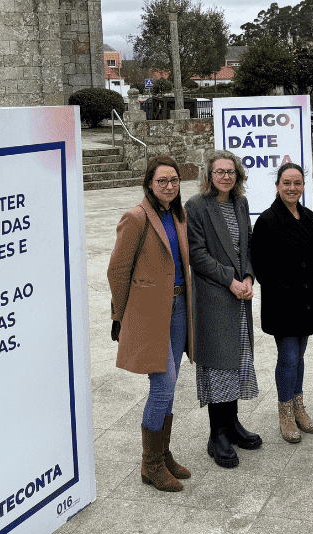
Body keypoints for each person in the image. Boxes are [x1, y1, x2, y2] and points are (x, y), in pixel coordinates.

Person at [107, 156, 194, 492]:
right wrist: (122, 314)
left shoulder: (177, 214)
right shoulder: (136, 217)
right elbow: (117, 271)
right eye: (162, 181)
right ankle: (150, 464)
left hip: (178, 307)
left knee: (170, 386)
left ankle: (163, 453)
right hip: (149, 313)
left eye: (173, 180)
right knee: (163, 384)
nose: (169, 186)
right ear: (149, 184)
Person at [185, 150, 262, 468]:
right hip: (214, 297)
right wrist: (231, 281)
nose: (226, 176)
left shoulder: (240, 203)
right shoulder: (196, 206)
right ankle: (216, 435)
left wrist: (247, 275)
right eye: (219, 172)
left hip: (239, 294)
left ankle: (232, 425)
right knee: (219, 365)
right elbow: (197, 254)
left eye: (231, 171)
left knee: (238, 360)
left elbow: (248, 244)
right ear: (208, 175)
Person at [251, 163, 313, 443]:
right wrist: (286, 290)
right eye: (286, 183)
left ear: (303, 186)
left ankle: (299, 408)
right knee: (289, 357)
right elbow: (262, 267)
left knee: (300, 356)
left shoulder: (307, 216)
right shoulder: (267, 220)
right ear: (278, 186)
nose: (292, 188)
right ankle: (285, 413)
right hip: (283, 304)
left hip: (307, 302)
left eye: (297, 183)